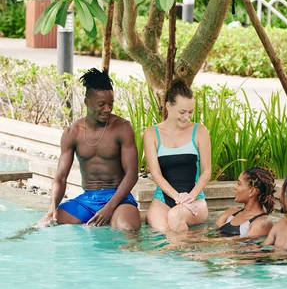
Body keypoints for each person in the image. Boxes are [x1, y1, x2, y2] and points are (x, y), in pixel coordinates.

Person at [40, 68, 141, 230]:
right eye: (101, 104)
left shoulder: (122, 128)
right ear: (87, 102)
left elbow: (131, 175)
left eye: (111, 104)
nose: (108, 109)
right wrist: (53, 207)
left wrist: (109, 208)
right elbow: (60, 177)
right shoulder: (72, 133)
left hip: (118, 199)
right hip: (87, 200)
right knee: (45, 225)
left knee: (127, 229)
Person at [144, 79, 211, 233]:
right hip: (163, 199)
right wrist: (177, 197)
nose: (186, 117)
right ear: (168, 106)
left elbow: (206, 172)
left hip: (195, 199)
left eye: (190, 112)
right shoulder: (151, 133)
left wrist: (190, 197)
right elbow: (156, 174)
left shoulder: (200, 131)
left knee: (175, 216)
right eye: (182, 112)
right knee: (165, 231)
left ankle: (188, 255)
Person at [215, 166, 275, 238]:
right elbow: (207, 232)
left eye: (239, 184)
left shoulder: (262, 223)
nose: (235, 187)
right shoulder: (230, 213)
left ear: (252, 191)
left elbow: (236, 243)